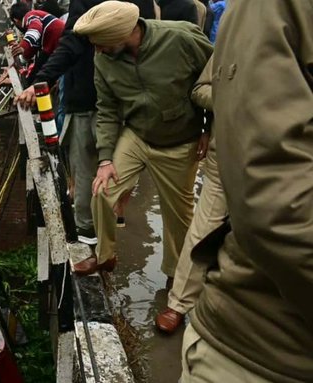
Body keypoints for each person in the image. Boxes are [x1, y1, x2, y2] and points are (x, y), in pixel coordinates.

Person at [181, 1, 313, 381]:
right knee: (204, 222)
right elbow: (203, 85)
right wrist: (225, 100)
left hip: (223, 136)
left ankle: (184, 291)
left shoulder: (185, 33)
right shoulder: (268, 12)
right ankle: (181, 300)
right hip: (266, 348)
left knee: (186, 218)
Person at [73, 1, 212, 277]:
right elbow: (108, 109)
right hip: (136, 135)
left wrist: (210, 128)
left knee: (179, 219)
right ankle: (105, 256)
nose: (97, 50)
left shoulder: (181, 38)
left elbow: (217, 79)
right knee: (102, 191)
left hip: (181, 140)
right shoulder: (103, 59)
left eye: (101, 43)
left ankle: (177, 279)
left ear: (122, 33)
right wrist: (105, 159)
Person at [15, 0, 157, 249]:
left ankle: (110, 236)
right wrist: (41, 81)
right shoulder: (81, 12)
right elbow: (73, 40)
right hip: (85, 98)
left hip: (125, 101)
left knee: (120, 173)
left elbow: (147, 38)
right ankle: (88, 242)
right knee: (83, 175)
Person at [155, 55, 227, 333]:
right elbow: (200, 90)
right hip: (227, 155)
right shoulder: (234, 35)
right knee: (204, 226)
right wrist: (237, 96)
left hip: (289, 163)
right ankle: (178, 303)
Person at [9, 2, 65, 84]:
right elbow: (32, 49)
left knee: (38, 74)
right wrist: (23, 54)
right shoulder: (34, 16)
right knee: (38, 70)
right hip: (54, 46)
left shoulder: (30, 15)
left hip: (58, 44)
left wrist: (23, 46)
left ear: (15, 20)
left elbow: (35, 28)